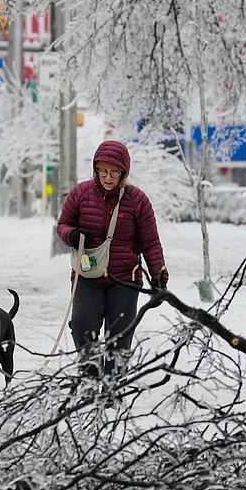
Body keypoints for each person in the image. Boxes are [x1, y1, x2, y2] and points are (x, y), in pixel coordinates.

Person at [57, 140, 169, 377]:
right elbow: (63, 225)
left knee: (120, 336)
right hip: (88, 275)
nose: (108, 177)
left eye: (114, 172)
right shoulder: (81, 193)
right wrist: (72, 235)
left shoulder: (137, 200)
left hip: (125, 278)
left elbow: (150, 242)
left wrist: (158, 276)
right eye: (103, 171)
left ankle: (112, 384)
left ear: (124, 173)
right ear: (95, 170)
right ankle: (89, 378)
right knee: (82, 326)